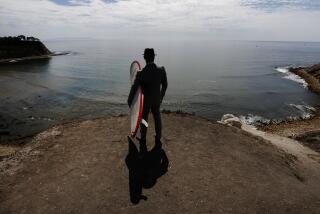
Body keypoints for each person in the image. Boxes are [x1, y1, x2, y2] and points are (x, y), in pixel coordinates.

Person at [128, 48, 168, 153]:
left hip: (145, 101)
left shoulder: (140, 73)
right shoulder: (161, 69)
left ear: (144, 57)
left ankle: (143, 137)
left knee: (144, 119)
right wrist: (161, 96)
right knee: (157, 116)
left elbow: (134, 88)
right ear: (154, 56)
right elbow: (165, 85)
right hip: (156, 99)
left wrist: (130, 100)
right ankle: (158, 135)